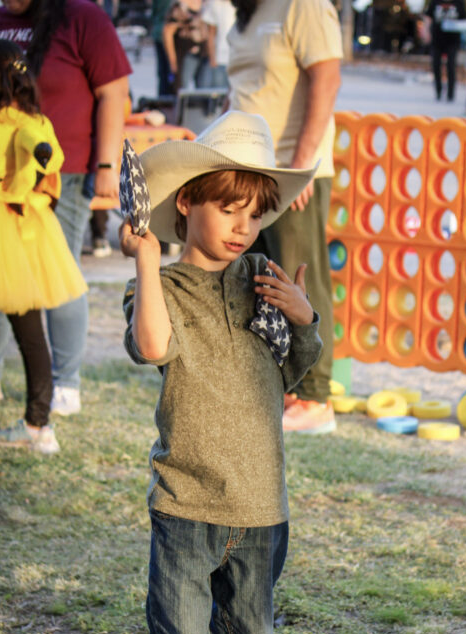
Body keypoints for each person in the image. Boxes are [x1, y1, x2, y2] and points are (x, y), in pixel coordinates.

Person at [119, 111, 322, 634]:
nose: (242, 225)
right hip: (187, 504)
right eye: (227, 207)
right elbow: (150, 346)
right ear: (187, 203)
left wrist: (304, 317)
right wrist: (143, 257)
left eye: (254, 211)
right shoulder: (165, 287)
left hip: (261, 507)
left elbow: (298, 369)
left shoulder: (266, 281)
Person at [0, 0, 131, 416]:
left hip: (57, 175)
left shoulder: (82, 17)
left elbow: (113, 93)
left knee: (56, 273)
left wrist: (107, 165)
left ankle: (66, 383)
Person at [0, 38, 87, 461]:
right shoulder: (40, 126)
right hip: (28, 233)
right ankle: (40, 427)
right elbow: (50, 182)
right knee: (32, 336)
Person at [227, 0, 343, 434]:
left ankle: (315, 397)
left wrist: (301, 162)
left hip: (291, 172)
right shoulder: (247, 11)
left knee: (297, 281)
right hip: (245, 171)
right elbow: (243, 91)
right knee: (253, 282)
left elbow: (327, 79)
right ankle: (280, 387)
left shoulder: (303, 5)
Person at [423, 0, 466, 101]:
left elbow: (465, 20)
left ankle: (450, 94)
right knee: (436, 65)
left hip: (452, 40)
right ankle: (438, 91)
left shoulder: (459, 3)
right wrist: (426, 31)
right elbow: (428, 16)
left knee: (451, 66)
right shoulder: (435, 2)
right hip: (437, 39)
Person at [163, 0, 208, 90]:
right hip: (186, 53)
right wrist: (172, 61)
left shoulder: (205, 4)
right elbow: (167, 33)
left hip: (203, 53)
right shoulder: (179, 6)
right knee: (183, 87)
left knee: (204, 88)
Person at [201, 0, 235, 89]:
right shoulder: (214, 3)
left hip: (237, 58)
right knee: (219, 95)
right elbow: (211, 35)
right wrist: (212, 58)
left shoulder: (241, 4)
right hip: (220, 60)